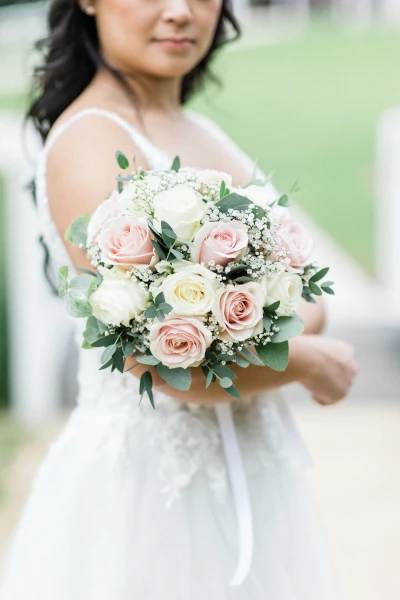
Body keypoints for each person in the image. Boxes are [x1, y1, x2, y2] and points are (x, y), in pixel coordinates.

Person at [0, 0, 358, 597]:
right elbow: (160, 361)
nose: (179, 12)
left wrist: (278, 317)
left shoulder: (197, 129)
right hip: (150, 497)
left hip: (253, 474)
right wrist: (312, 362)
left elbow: (306, 288)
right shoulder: (92, 142)